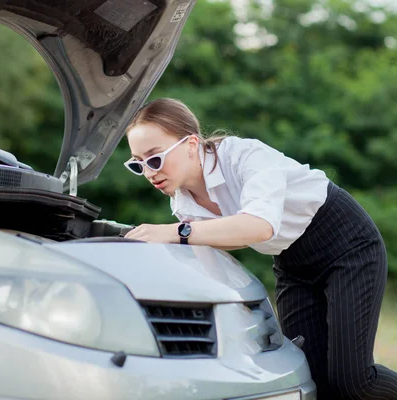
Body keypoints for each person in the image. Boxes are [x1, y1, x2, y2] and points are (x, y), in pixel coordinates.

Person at [123, 97, 397, 399]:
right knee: (311, 379)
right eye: (138, 164)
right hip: (293, 264)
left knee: (353, 381)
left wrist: (177, 232)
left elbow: (259, 226)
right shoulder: (182, 204)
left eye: (155, 159)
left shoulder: (245, 156)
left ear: (190, 144)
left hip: (346, 244)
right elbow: (217, 259)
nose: (149, 172)